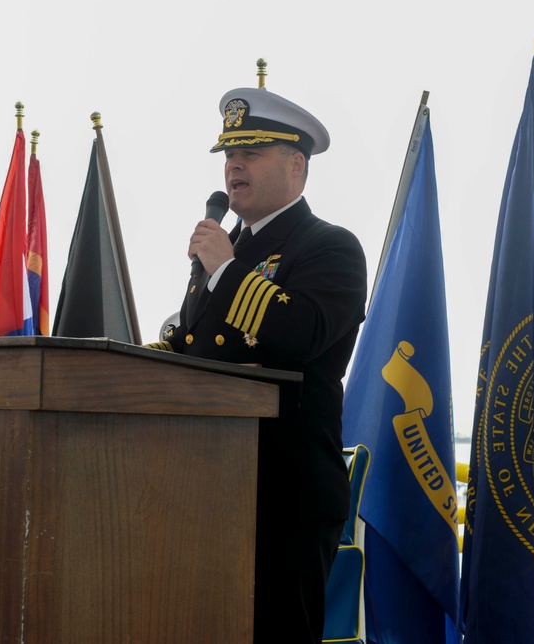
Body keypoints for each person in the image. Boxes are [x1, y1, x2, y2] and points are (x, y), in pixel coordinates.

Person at [145, 86, 368, 642]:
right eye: (228, 155)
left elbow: (302, 334)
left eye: (251, 153)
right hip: (205, 484)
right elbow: (198, 349)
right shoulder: (223, 252)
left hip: (285, 493)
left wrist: (224, 270)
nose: (233, 165)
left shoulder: (330, 247)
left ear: (296, 165)